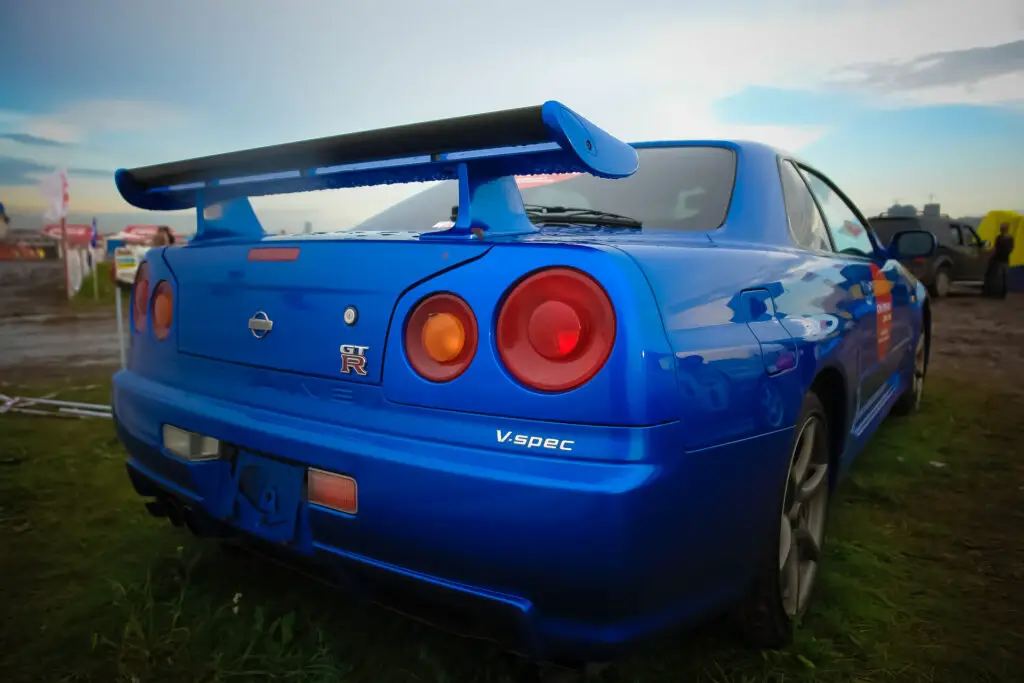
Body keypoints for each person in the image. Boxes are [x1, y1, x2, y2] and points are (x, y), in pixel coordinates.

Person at [983, 223, 1015, 298]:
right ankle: (1002, 293)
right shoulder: (1010, 238)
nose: (1001, 229)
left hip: (998, 259)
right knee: (1004, 277)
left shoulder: (999, 238)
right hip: (1005, 259)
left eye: (1002, 228)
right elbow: (1011, 249)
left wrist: (990, 257)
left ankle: (997, 293)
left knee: (998, 276)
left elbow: (995, 249)